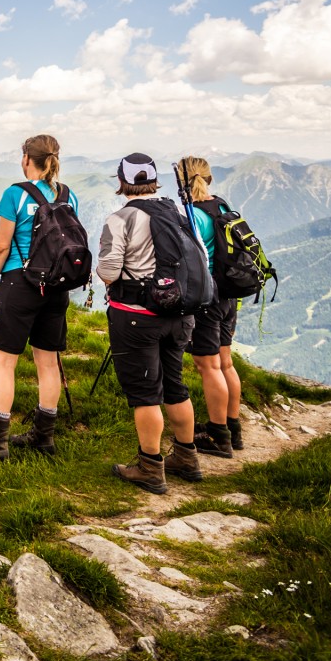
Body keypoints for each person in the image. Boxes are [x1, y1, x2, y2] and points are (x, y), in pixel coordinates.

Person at [0, 134, 76, 460]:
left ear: (27, 158)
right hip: (55, 287)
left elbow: (1, 246)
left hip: (20, 284)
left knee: (4, 362)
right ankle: (44, 436)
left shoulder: (15, 194)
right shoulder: (68, 195)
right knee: (48, 362)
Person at [98, 153, 202, 493]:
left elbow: (110, 271)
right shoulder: (176, 211)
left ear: (121, 180)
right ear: (154, 179)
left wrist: (102, 274)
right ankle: (187, 458)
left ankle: (149, 467)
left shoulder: (121, 218)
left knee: (145, 394)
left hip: (136, 317)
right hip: (180, 314)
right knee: (175, 385)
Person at [178, 156, 245, 455]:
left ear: (183, 181)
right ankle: (233, 428)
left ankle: (218, 437)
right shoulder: (221, 205)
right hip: (230, 294)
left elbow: (186, 256)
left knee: (208, 365)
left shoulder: (193, 215)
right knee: (225, 362)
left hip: (209, 297)